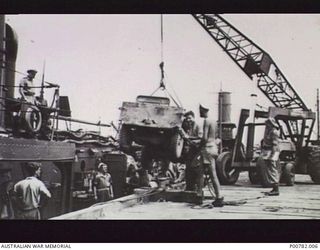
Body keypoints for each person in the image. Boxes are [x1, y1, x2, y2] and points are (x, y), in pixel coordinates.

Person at [198, 104, 224, 207]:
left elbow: (204, 137)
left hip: (207, 149)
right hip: (213, 148)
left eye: (200, 110)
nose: (199, 112)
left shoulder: (206, 121)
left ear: (203, 110)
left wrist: (198, 145)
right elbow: (216, 137)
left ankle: (217, 197)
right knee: (206, 173)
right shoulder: (214, 121)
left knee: (209, 174)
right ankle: (202, 195)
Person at [180, 110, 201, 190]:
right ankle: (189, 187)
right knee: (188, 169)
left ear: (193, 117)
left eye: (190, 118)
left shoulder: (198, 126)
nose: (188, 120)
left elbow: (201, 139)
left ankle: (196, 188)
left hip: (197, 150)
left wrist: (188, 138)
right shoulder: (189, 126)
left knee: (195, 169)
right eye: (187, 119)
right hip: (191, 150)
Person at [260, 117, 281, 196]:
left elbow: (274, 145)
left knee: (272, 169)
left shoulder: (274, 132)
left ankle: (275, 188)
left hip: (272, 151)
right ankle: (274, 188)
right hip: (269, 151)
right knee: (270, 169)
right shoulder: (270, 131)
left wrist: (272, 155)